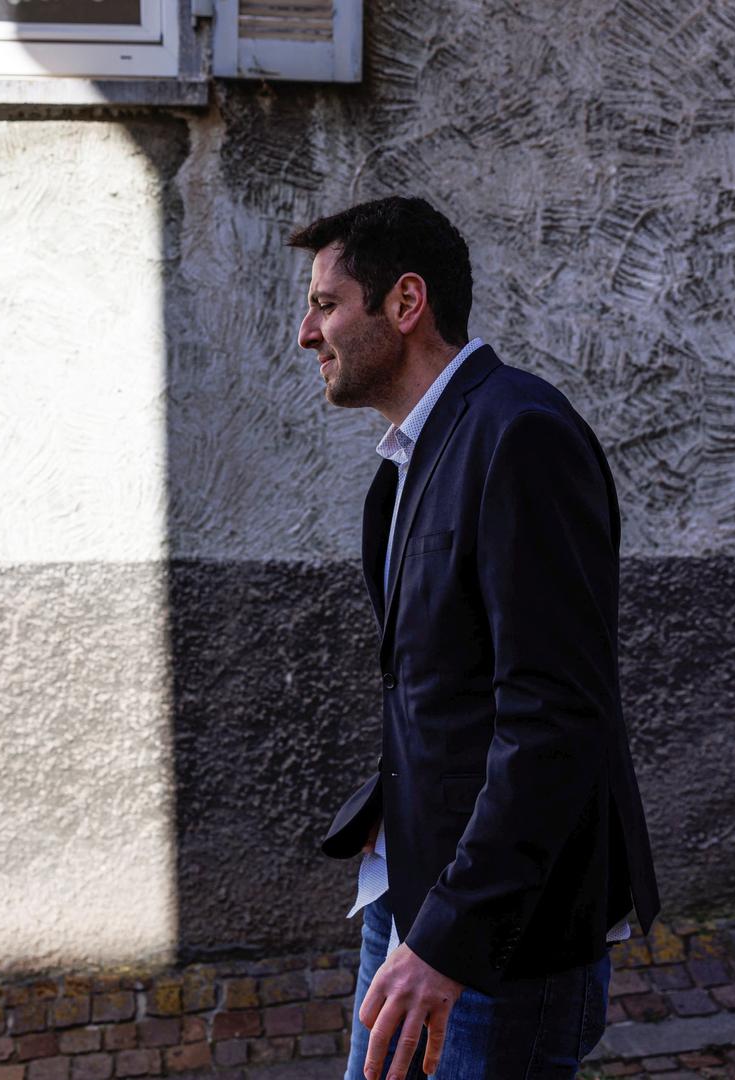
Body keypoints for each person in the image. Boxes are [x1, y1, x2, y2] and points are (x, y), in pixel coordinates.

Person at [289, 196, 662, 1080]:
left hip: (496, 941)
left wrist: (452, 941)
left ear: (405, 303)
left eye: (327, 303)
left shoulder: (518, 435)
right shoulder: (415, 455)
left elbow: (555, 717)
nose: (307, 332)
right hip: (410, 892)